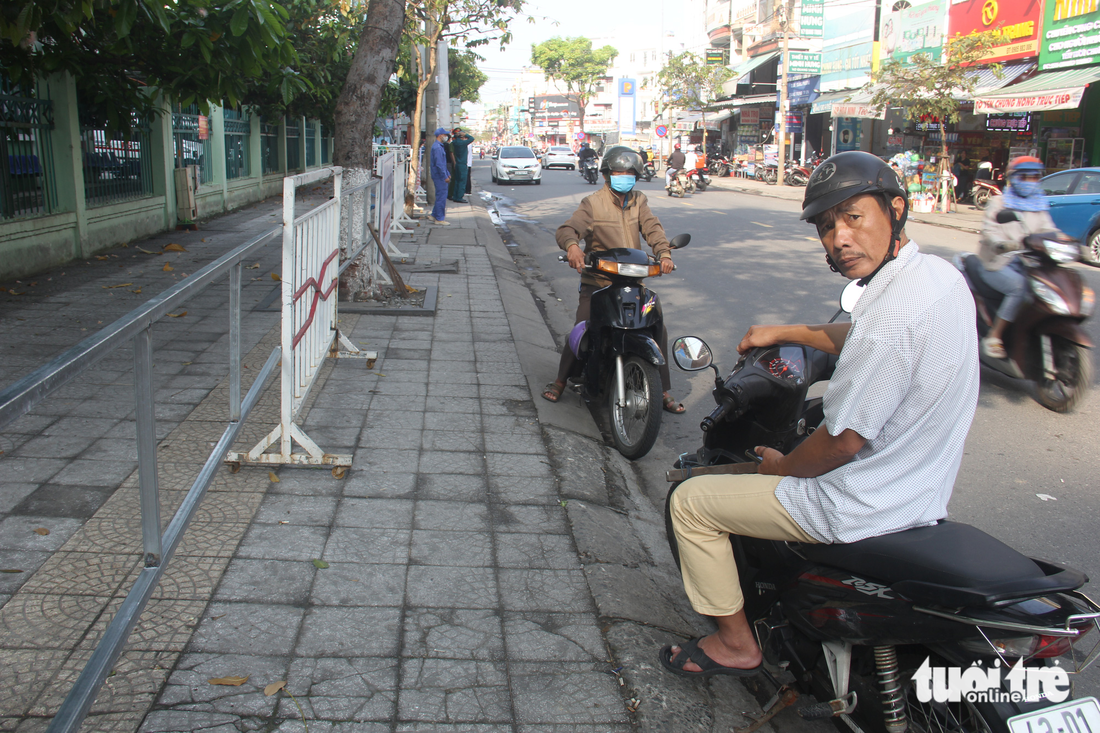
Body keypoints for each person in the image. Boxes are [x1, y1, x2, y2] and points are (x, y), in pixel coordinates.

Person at [659, 150, 979, 677]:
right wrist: (782, 332)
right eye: (827, 226)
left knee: (691, 501)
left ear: (895, 209)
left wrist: (780, 467)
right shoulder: (936, 278)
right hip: (919, 492)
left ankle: (736, 645)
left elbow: (841, 442)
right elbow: (857, 338)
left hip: (857, 503)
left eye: (854, 217)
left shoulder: (892, 313)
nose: (839, 238)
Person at [544, 146, 686, 414]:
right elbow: (568, 228)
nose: (625, 176)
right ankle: (561, 380)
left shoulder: (639, 200)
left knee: (658, 326)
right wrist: (573, 246)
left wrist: (663, 253)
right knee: (582, 327)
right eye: (619, 172)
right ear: (607, 175)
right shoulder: (593, 202)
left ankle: (662, 389)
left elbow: (653, 229)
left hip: (632, 284)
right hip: (598, 282)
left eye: (630, 172)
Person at [975, 156, 1061, 359]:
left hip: (1028, 263)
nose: (1029, 182)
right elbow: (989, 230)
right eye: (1024, 177)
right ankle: (994, 336)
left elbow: (1048, 229)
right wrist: (1000, 244)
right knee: (1019, 288)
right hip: (997, 261)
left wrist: (1066, 241)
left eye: (1034, 177)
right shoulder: (999, 202)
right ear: (1014, 178)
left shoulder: (1038, 203)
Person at [429, 127, 451, 225]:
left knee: (440, 196)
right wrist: (445, 176)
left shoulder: (439, 146)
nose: (446, 137)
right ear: (440, 136)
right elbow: (439, 164)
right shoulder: (437, 147)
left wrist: (447, 174)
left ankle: (434, 214)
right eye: (445, 135)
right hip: (439, 176)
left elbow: (443, 163)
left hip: (441, 174)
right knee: (442, 197)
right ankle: (439, 219)